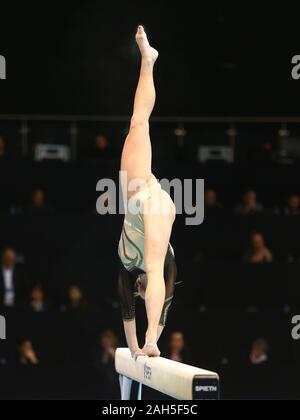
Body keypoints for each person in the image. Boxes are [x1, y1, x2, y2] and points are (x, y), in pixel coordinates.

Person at [117, 26, 177, 358]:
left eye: (137, 292)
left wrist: (134, 348)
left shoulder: (125, 270)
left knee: (139, 122)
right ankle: (154, 339)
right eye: (142, 293)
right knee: (156, 268)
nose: (136, 291)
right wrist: (147, 342)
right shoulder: (165, 268)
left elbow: (126, 312)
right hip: (156, 207)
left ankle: (148, 59)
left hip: (139, 192)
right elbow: (165, 301)